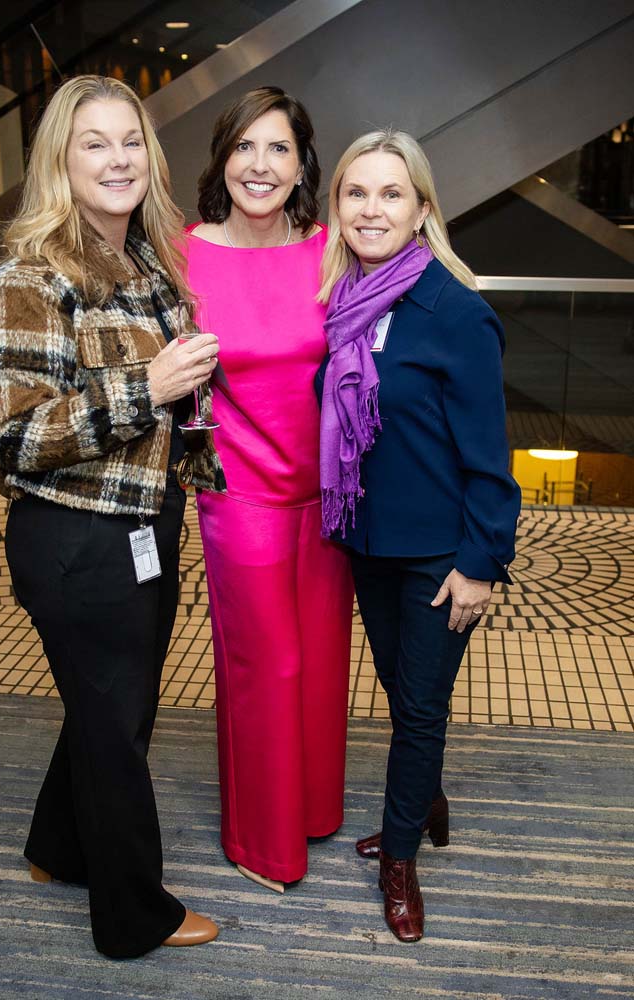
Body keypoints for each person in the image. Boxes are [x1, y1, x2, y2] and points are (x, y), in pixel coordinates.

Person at [0, 75, 226, 959]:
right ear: (60, 161)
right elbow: (15, 437)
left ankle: (55, 848)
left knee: (106, 710)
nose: (117, 159)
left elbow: (176, 398)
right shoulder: (28, 277)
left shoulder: (148, 258)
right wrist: (146, 386)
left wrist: (194, 414)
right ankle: (131, 917)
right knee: (119, 730)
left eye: (130, 142)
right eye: (94, 143)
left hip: (145, 524)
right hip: (78, 539)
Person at [316, 130, 520, 941]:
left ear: (422, 209)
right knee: (402, 696)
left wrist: (481, 564)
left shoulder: (457, 311)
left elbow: (491, 457)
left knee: (421, 713)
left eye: (391, 194)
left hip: (441, 554)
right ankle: (423, 801)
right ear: (338, 207)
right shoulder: (339, 304)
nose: (372, 209)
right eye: (356, 193)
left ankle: (399, 862)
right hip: (367, 540)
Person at [184, 86, 354, 892]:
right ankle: (263, 841)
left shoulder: (331, 249)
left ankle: (315, 811)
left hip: (329, 496)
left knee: (321, 661)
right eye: (244, 146)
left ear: (301, 163)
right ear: (223, 158)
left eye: (278, 148)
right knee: (268, 667)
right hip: (239, 493)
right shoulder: (183, 255)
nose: (260, 164)